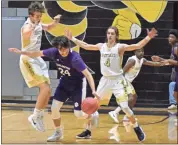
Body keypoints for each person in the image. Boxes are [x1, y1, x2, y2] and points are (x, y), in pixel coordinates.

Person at [65, 26, 158, 141]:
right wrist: (72, 38)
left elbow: (137, 46)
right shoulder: (101, 46)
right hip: (105, 80)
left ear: (116, 36)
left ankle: (136, 127)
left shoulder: (120, 47)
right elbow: (86, 46)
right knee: (94, 105)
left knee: (125, 107)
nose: (110, 35)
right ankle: (88, 131)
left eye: (112, 34)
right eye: (108, 33)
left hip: (117, 80)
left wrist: (148, 37)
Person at [9, 36, 99, 141]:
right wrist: (21, 52)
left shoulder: (75, 58)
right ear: (57, 48)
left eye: (65, 49)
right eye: (60, 49)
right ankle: (58, 132)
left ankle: (92, 114)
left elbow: (88, 75)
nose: (63, 52)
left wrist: (93, 90)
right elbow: (36, 54)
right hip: (64, 83)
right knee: (54, 109)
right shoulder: (53, 52)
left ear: (68, 47)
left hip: (77, 85)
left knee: (78, 114)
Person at [12, 1, 61, 132]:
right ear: (31, 15)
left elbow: (49, 27)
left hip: (37, 58)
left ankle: (38, 115)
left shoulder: (38, 23)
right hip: (28, 59)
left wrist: (55, 22)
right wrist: (33, 26)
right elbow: (25, 33)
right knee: (44, 88)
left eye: (40, 16)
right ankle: (34, 116)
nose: (39, 18)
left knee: (48, 90)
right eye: (37, 16)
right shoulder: (27, 26)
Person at [108, 48, 166, 123]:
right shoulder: (132, 60)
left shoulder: (142, 60)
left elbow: (154, 64)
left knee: (134, 97)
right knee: (130, 98)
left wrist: (164, 61)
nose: (141, 53)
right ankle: (115, 112)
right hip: (123, 80)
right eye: (139, 51)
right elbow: (122, 72)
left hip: (128, 82)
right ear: (134, 52)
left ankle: (127, 116)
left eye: (142, 51)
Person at [151, 29, 178, 126]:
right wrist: (160, 59)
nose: (170, 38)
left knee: (175, 94)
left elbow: (172, 62)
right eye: (169, 36)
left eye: (172, 37)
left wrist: (169, 61)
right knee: (175, 94)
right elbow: (170, 61)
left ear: (176, 39)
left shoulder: (176, 48)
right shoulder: (173, 48)